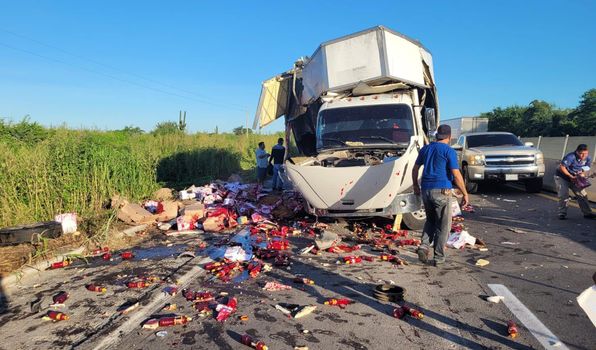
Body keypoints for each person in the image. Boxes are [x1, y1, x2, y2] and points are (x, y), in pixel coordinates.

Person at [411, 124, 469, 266]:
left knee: (430, 221)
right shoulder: (449, 151)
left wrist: (415, 186)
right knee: (443, 225)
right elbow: (456, 174)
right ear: (449, 137)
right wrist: (465, 193)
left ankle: (424, 246)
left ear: (437, 136)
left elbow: (415, 168)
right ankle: (439, 258)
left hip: (426, 190)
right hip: (442, 191)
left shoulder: (426, 149)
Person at [555, 144, 595, 220]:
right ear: (577, 152)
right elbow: (562, 167)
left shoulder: (588, 158)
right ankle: (562, 213)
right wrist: (570, 176)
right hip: (563, 177)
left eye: (585, 153)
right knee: (563, 195)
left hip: (576, 177)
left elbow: (587, 167)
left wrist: (582, 173)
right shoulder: (570, 157)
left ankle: (587, 213)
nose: (583, 156)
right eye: (581, 154)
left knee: (582, 195)